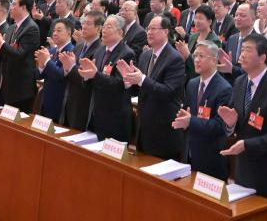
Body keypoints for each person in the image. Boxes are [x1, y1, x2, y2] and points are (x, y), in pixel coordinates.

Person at [217, 33, 267, 221]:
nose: (241, 55)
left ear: (262, 57)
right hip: (244, 171)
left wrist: (248, 145)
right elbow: (237, 126)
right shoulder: (240, 82)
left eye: (248, 51)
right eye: (241, 50)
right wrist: (230, 124)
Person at [118, 14, 186, 160]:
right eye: (148, 28)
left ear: (166, 32)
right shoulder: (145, 55)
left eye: (154, 29)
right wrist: (129, 81)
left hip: (164, 130)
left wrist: (141, 79)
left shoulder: (175, 59)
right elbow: (141, 89)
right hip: (144, 128)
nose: (149, 32)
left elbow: (168, 91)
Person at [172, 41, 232, 178]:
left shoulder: (224, 89)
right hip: (189, 154)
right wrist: (182, 117)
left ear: (214, 60)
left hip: (210, 159)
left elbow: (219, 126)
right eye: (195, 55)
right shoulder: (192, 84)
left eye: (201, 56)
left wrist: (190, 121)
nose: (196, 60)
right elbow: (188, 114)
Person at [77, 14, 134, 142]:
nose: (104, 29)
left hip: (115, 117)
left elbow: (119, 84)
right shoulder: (100, 51)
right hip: (98, 113)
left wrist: (95, 75)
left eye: (109, 27)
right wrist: (86, 77)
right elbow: (94, 80)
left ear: (120, 32)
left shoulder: (126, 53)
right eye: (104, 26)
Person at [0, 0, 41, 111]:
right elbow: (5, 53)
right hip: (6, 85)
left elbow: (19, 55)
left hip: (20, 88)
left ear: (23, 8)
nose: (11, 8)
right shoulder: (12, 27)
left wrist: (1, 44)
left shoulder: (31, 28)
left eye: (13, 4)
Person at [59, 10, 103, 130]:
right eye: (83, 23)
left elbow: (86, 80)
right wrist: (67, 68)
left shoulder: (100, 50)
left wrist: (71, 67)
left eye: (88, 24)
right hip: (69, 100)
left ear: (99, 28)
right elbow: (68, 72)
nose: (84, 26)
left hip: (84, 104)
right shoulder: (78, 46)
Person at [35, 17, 76, 120]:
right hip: (46, 98)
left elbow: (60, 75)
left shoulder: (71, 51)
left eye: (59, 30)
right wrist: (40, 65)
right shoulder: (53, 50)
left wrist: (47, 61)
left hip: (59, 101)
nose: (55, 33)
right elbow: (40, 75)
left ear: (68, 33)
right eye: (54, 30)